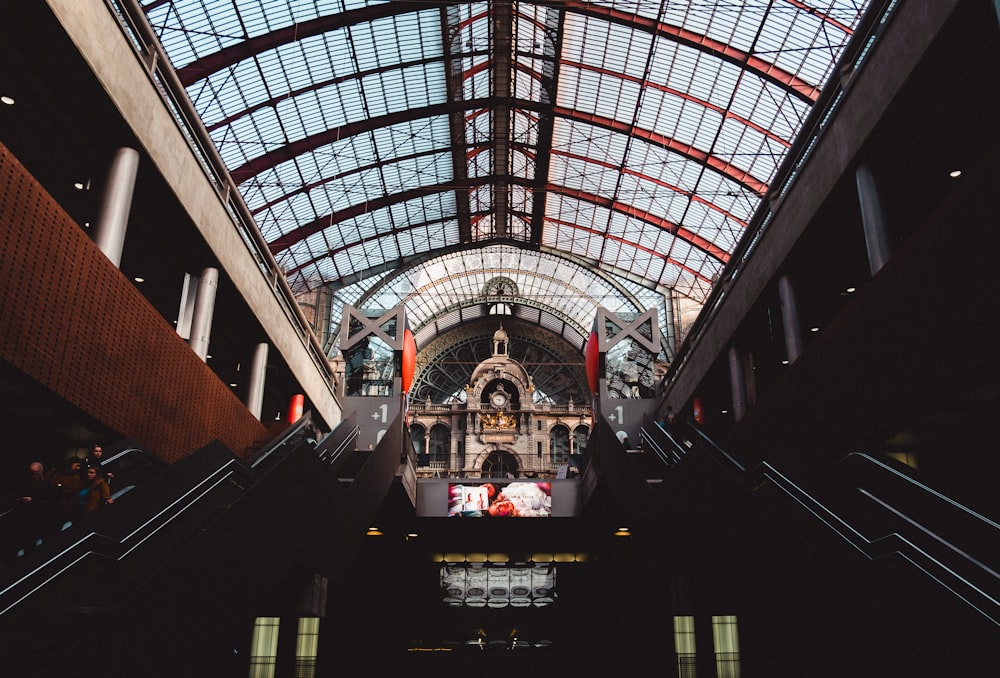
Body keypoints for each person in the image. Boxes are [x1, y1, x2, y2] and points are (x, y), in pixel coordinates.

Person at [3, 461, 60, 563]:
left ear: (41, 472)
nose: (34, 475)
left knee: (38, 542)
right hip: (28, 518)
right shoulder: (28, 484)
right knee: (28, 543)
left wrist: (33, 501)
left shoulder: (48, 486)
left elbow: (51, 503)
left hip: (40, 518)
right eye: (32, 473)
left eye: (36, 473)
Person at [47, 456, 84, 528]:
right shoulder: (56, 472)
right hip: (51, 504)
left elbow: (73, 493)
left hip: (62, 507)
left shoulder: (76, 478)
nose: (78, 468)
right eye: (77, 465)